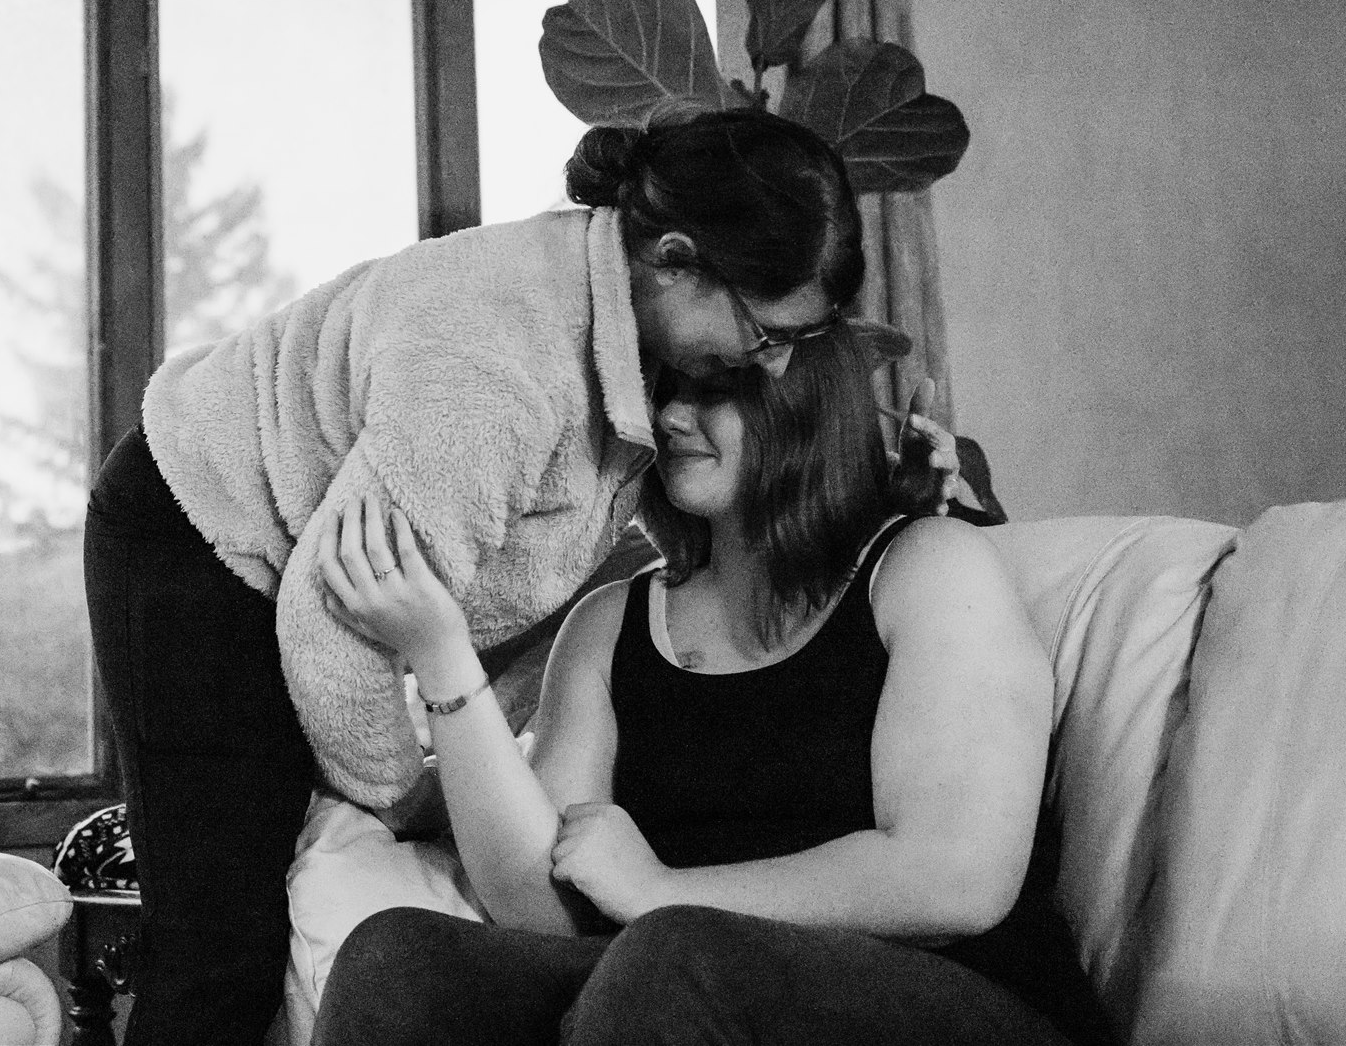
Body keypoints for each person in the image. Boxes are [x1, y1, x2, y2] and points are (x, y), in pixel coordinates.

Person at [84, 108, 958, 1046]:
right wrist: (404, 795)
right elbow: (326, 616)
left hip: (303, 547)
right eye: (765, 333)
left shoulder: (635, 322)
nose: (772, 360)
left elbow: (737, 484)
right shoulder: (495, 378)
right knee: (218, 947)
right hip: (196, 530)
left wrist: (871, 490)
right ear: (676, 259)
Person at [309, 325, 1113, 1046]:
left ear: (801, 399)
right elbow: (543, 907)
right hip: (668, 986)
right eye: (663, 389)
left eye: (712, 388)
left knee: (667, 959)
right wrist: (441, 653)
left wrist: (660, 890)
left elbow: (957, 877)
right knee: (397, 964)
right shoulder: (610, 626)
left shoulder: (928, 567)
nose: (669, 416)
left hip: (964, 999)